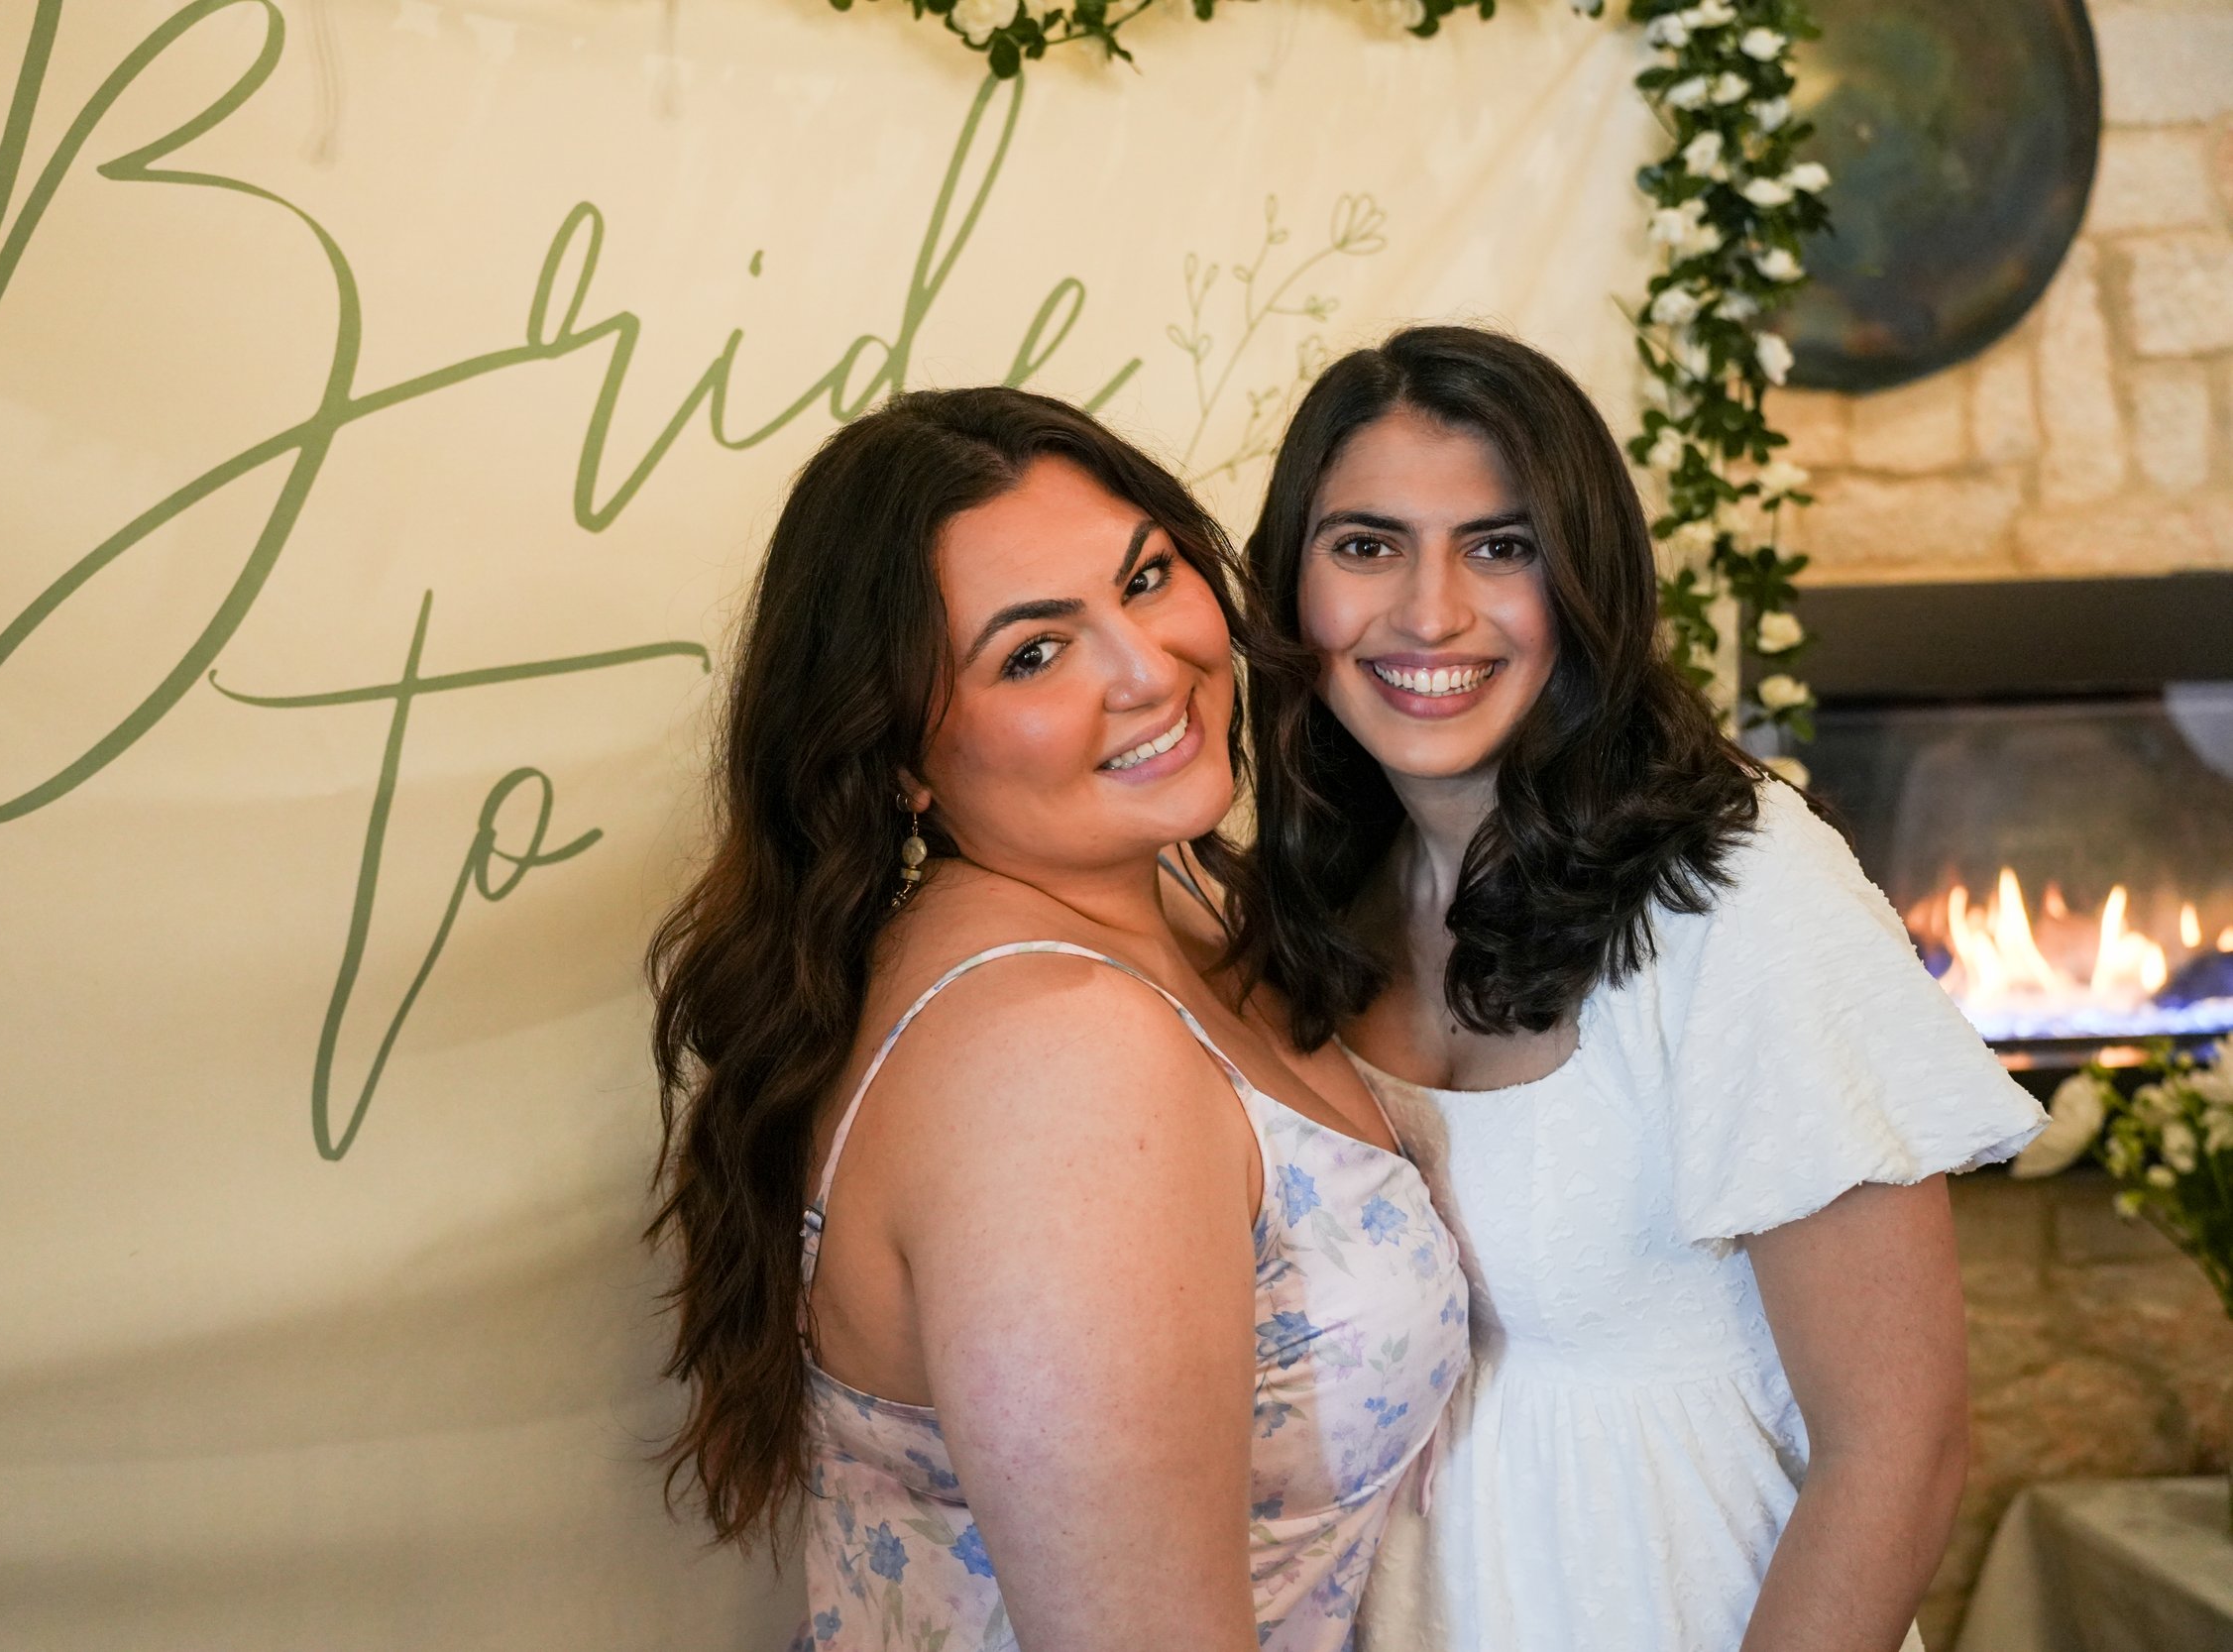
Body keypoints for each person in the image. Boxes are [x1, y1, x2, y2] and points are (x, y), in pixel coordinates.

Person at [1225, 326, 2047, 1652]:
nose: (1429, 612)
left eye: (1500, 546)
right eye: (1366, 545)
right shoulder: (1310, 895)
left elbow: (1900, 1445)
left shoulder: (1739, 889)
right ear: (1290, 585)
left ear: (1586, 575)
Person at [646, 386, 1469, 1652]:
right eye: (1032, 653)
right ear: (900, 758)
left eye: (1145, 579)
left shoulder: (1171, 885)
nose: (1149, 670)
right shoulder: (1058, 1053)